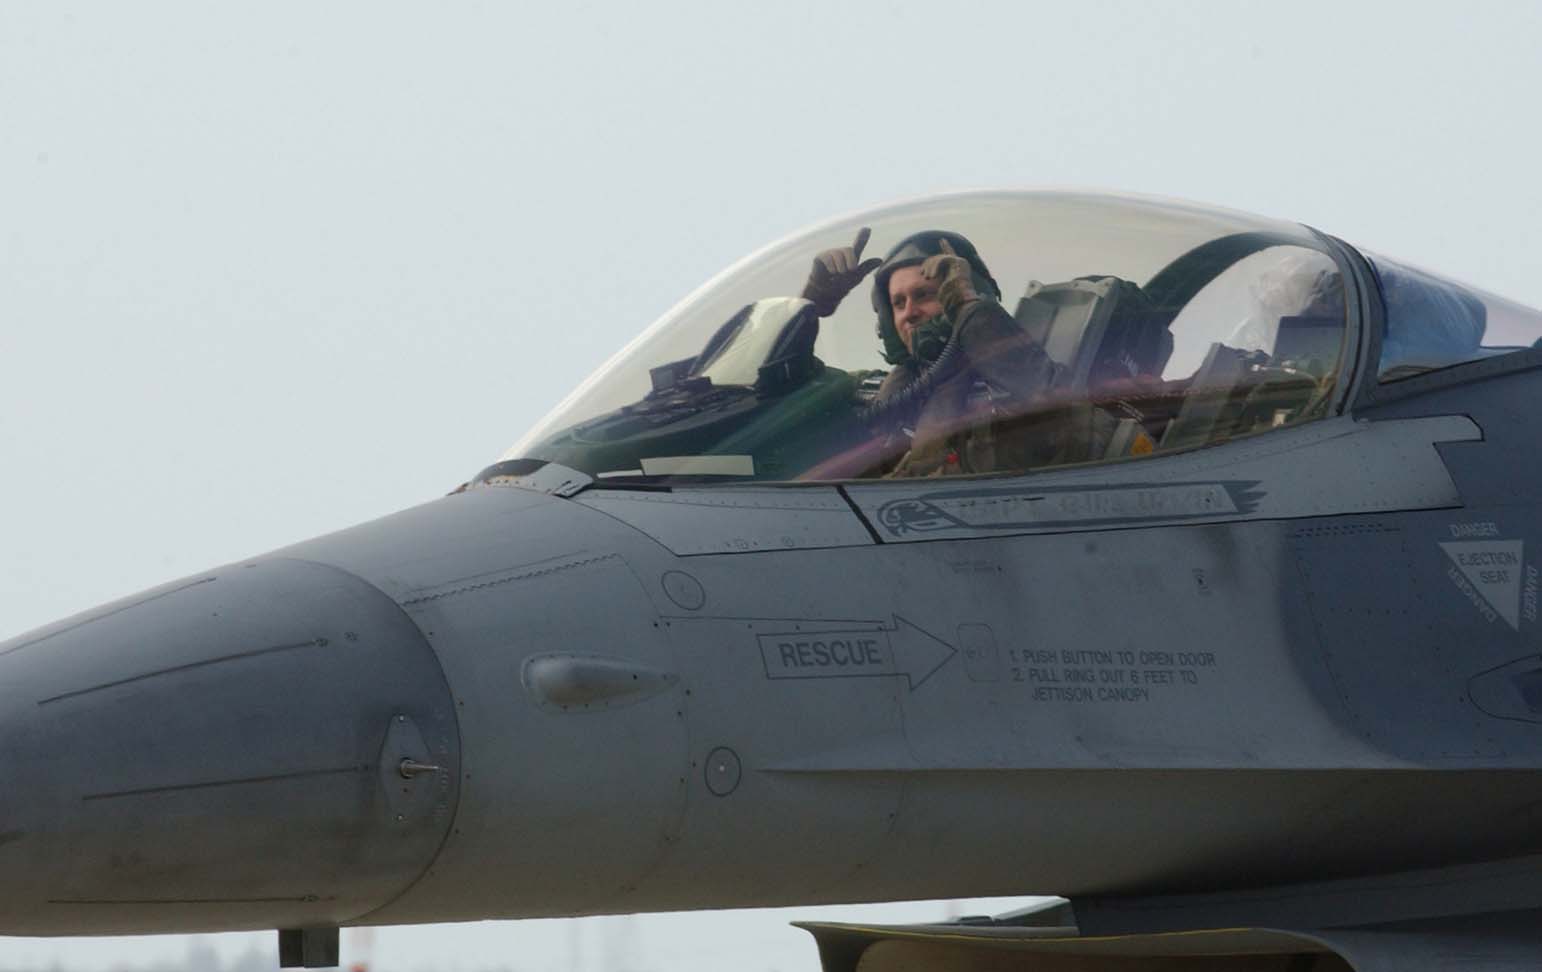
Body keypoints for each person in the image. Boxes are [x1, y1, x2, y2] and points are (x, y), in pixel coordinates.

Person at [799, 228, 1056, 476]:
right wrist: (808, 309)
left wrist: (972, 310)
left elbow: (1065, 424)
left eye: (923, 295)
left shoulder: (1008, 396)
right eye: (898, 303)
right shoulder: (878, 391)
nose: (909, 313)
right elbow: (796, 402)